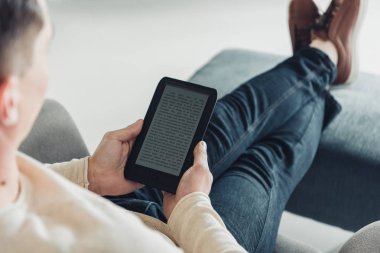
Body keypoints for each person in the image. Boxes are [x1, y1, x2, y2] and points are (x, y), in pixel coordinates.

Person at [0, 0, 373, 252]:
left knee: (224, 121)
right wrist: (191, 209)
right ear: (8, 101)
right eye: (42, 54)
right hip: (185, 238)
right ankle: (324, 55)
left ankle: (322, 56)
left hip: (113, 197)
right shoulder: (117, 242)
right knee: (265, 158)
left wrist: (89, 175)